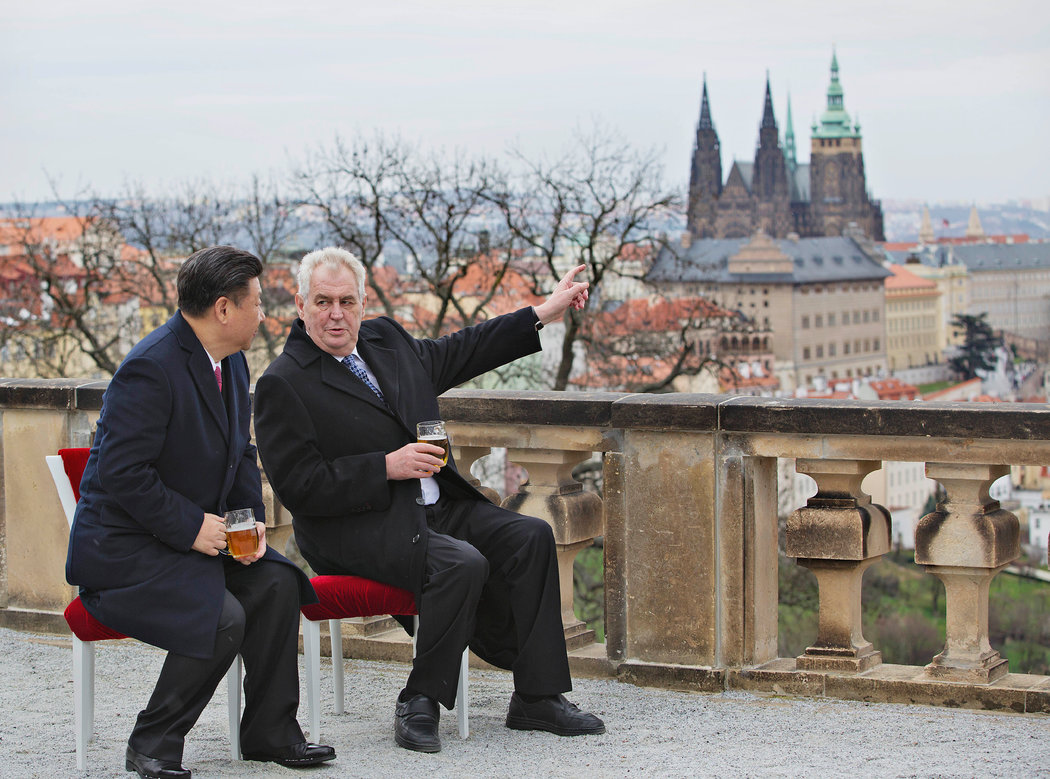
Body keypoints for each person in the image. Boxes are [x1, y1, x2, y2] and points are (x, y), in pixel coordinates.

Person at [253, 246, 605, 754]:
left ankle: (537, 696)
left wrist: (542, 313)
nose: (336, 314)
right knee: (459, 564)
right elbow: (299, 486)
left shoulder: (386, 339)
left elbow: (463, 349)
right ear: (301, 305)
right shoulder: (284, 383)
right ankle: (420, 698)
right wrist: (385, 466)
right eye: (324, 301)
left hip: (439, 508)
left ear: (362, 302)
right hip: (358, 527)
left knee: (531, 534)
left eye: (347, 301)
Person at [65, 246, 335, 779]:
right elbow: (123, 474)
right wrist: (193, 527)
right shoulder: (150, 368)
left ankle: (269, 732)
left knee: (278, 586)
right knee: (221, 617)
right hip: (124, 553)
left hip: (186, 545)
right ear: (224, 309)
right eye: (257, 302)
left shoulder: (230, 362)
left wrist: (247, 518)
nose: (265, 314)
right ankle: (153, 742)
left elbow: (241, 451)